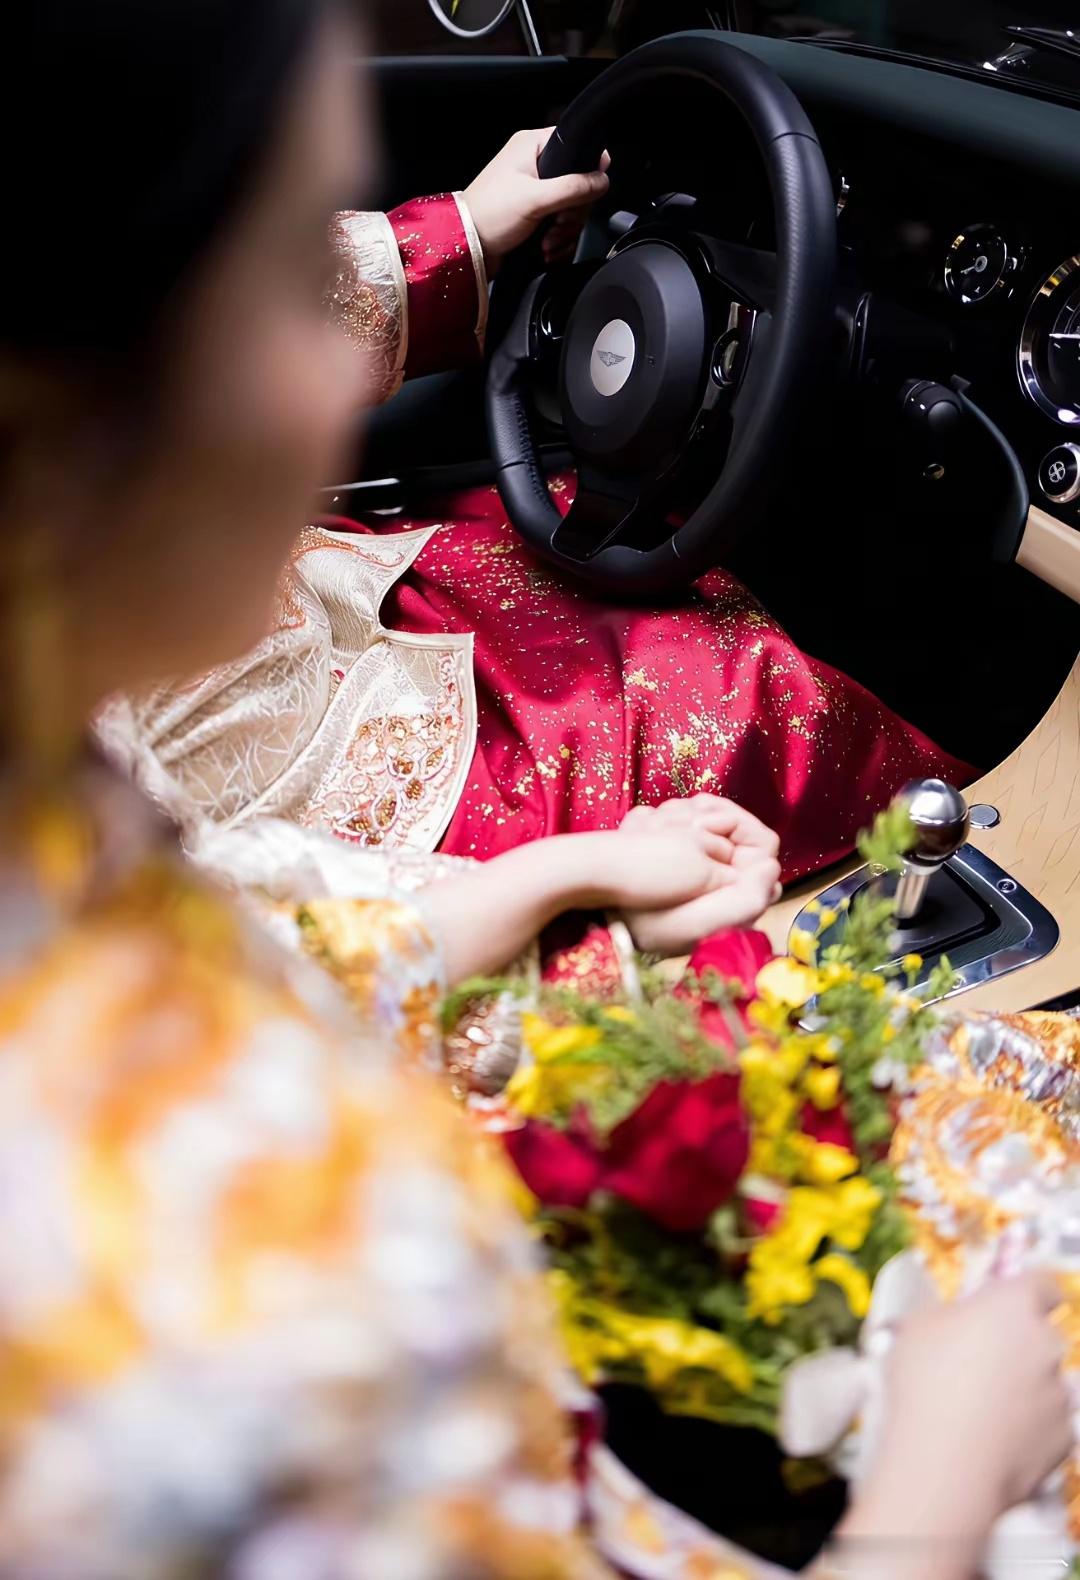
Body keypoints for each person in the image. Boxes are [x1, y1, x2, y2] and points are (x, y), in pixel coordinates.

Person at [0, 1, 1068, 1576]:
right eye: (295, 275)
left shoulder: (50, 778)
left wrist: (543, 884)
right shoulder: (217, 1340)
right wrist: (935, 1492)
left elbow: (215, 925)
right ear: (87, 393)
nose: (353, 340)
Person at [105, 132, 971, 885]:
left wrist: (467, 228)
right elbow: (264, 930)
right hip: (351, 815)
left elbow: (175, 336)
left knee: (575, 526)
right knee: (748, 702)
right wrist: (570, 880)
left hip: (313, 613)